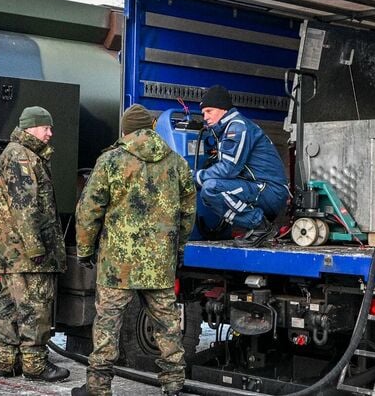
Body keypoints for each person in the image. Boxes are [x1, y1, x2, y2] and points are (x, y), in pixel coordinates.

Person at [72, 104, 196, 396]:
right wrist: (177, 248)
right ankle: (173, 384)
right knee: (167, 324)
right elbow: (188, 212)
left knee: (107, 325)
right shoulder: (176, 163)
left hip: (118, 264)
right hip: (159, 262)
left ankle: (98, 387)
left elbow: (88, 211)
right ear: (152, 128)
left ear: (125, 131)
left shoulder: (110, 161)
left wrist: (85, 250)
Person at [0, 106, 70, 382]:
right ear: (31, 128)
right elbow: (25, 207)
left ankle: (6, 362)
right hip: (25, 254)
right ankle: (35, 366)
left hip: (13, 253)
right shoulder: (22, 157)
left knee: (11, 307)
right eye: (46, 127)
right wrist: (36, 248)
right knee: (35, 307)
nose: (50, 133)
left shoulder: (18, 154)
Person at [196, 85, 289, 247]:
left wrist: (196, 176)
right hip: (263, 188)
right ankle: (257, 226)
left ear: (223, 108)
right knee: (210, 187)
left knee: (211, 188)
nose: (205, 117)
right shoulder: (229, 127)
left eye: (209, 111)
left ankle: (260, 226)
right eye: (204, 113)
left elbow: (229, 169)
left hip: (270, 191)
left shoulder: (237, 127)